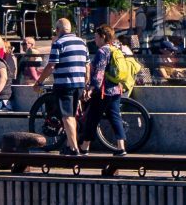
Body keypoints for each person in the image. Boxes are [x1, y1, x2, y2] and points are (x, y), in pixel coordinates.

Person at [33, 18, 89, 156]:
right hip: (79, 83)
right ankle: (70, 144)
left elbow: (51, 65)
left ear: (58, 30)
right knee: (72, 116)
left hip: (65, 84)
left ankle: (73, 148)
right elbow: (87, 64)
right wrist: (86, 82)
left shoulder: (58, 43)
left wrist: (39, 82)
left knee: (67, 116)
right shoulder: (82, 43)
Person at [85, 25, 130, 156]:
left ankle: (84, 147)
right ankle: (121, 147)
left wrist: (91, 88)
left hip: (104, 91)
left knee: (92, 118)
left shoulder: (102, 51)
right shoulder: (115, 49)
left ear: (103, 37)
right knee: (115, 118)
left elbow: (99, 72)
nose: (95, 40)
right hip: (116, 89)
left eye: (96, 37)